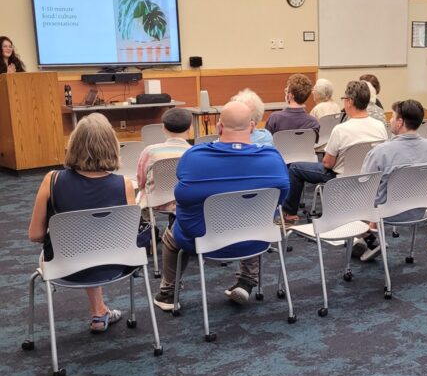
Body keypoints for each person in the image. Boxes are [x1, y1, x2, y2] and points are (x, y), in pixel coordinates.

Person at [152, 101, 289, 310]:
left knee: (171, 235)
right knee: (252, 215)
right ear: (252, 127)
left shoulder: (195, 156)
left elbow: (182, 197)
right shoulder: (273, 158)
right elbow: (280, 200)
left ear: (219, 127)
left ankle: (168, 294)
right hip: (255, 239)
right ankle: (247, 281)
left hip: (203, 240)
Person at [28, 113, 134, 332]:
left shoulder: (52, 180)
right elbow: (130, 237)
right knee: (93, 243)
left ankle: (99, 312)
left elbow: (35, 235)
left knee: (81, 243)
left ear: (73, 145)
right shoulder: (124, 184)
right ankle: (99, 312)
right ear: (112, 145)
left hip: (64, 266)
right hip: (114, 265)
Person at [281, 80, 388, 223]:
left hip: (341, 178)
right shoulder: (380, 126)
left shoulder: (341, 129)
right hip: (370, 178)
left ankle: (289, 214)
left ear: (349, 102)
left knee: (295, 168)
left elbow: (328, 163)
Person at [356, 98, 427, 261]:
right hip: (419, 211)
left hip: (387, 213)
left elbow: (364, 186)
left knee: (348, 197)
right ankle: (369, 236)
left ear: (400, 122)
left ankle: (368, 238)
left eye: (393, 117)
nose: (390, 120)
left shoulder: (380, 152)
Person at [136, 107, 193, 212]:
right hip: (184, 200)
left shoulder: (150, 151)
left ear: (163, 128)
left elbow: (141, 180)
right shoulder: (194, 153)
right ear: (190, 128)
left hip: (155, 201)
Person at [265, 73, 320, 139]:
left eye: (286, 91)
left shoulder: (274, 118)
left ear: (290, 95)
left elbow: (267, 141)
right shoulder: (313, 122)